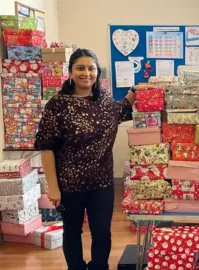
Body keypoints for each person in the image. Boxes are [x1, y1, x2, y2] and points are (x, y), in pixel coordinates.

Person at [35, 48, 136, 270]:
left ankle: (99, 267)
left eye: (91, 68)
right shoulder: (58, 104)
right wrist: (52, 187)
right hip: (69, 183)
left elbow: (123, 109)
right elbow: (46, 148)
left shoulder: (105, 101)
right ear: (70, 72)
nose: (86, 73)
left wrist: (138, 90)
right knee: (72, 232)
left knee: (101, 232)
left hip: (102, 182)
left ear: (97, 73)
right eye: (80, 68)